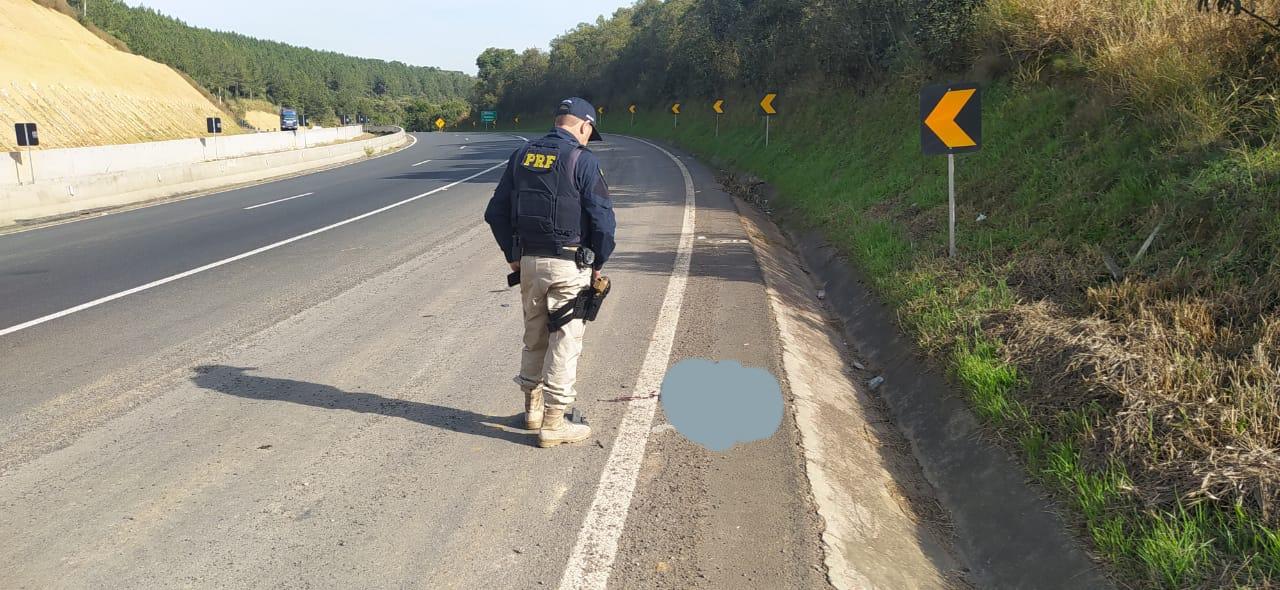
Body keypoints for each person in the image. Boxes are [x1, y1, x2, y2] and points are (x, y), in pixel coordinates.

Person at [484, 97, 616, 448]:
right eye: (589, 133)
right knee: (565, 339)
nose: (588, 138)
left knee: (535, 333)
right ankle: (555, 422)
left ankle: (533, 411)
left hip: (529, 263)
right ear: (585, 126)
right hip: (570, 264)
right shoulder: (582, 160)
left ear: (558, 121)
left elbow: (495, 212)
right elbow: (603, 222)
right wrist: (598, 263)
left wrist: (513, 256)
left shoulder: (521, 156)